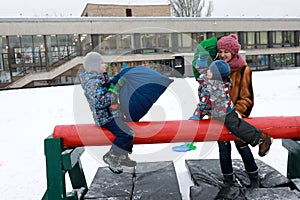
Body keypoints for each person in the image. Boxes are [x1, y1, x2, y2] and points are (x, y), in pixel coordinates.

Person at [192, 59, 272, 192]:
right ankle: (228, 180)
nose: (223, 54)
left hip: (228, 113)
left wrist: (197, 115)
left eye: (226, 51)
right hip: (218, 116)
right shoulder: (214, 74)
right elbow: (206, 74)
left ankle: (261, 139)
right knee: (223, 148)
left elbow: (205, 104)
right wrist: (200, 65)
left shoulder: (233, 75)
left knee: (239, 134)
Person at [79, 51, 136, 174]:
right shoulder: (92, 83)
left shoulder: (99, 78)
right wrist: (113, 92)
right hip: (105, 118)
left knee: (129, 131)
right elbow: (99, 102)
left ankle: (122, 156)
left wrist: (115, 84)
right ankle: (112, 155)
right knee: (125, 134)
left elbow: (107, 87)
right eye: (101, 63)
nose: (104, 65)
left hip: (112, 114)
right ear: (94, 66)